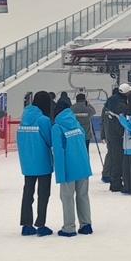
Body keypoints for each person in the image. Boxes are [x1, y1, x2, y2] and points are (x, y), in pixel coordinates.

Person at [51, 95, 93, 237]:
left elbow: (58, 151)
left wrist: (60, 174)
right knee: (83, 195)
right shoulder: (76, 124)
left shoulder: (57, 127)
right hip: (83, 165)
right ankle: (86, 224)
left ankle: (69, 227)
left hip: (69, 167)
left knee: (67, 197)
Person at [17, 90, 54, 236]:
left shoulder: (23, 118)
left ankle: (26, 224)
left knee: (28, 193)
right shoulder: (43, 120)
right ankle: (41, 224)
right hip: (43, 162)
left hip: (27, 162)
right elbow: (50, 140)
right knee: (43, 194)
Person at [103, 86, 128, 191]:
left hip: (111, 135)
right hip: (118, 135)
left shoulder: (110, 103)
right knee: (119, 160)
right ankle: (117, 183)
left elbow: (104, 121)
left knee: (114, 159)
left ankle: (114, 181)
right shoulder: (120, 105)